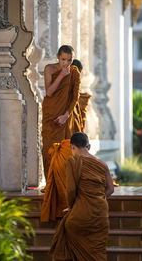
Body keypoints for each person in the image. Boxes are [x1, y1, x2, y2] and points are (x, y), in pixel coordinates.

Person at [49, 132, 114, 261]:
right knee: (98, 251)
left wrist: (72, 206)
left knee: (66, 233)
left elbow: (71, 190)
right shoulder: (102, 164)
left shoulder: (72, 161)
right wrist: (97, 197)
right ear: (88, 147)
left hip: (80, 215)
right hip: (101, 215)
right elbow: (110, 189)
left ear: (72, 147)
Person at [42, 45, 81, 181]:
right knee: (49, 149)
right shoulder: (49, 69)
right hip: (50, 113)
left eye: (69, 60)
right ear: (58, 56)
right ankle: (50, 183)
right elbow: (49, 91)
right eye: (63, 59)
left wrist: (66, 115)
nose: (66, 63)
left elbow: (75, 97)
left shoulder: (74, 72)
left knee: (65, 151)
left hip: (64, 116)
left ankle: (63, 183)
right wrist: (62, 76)